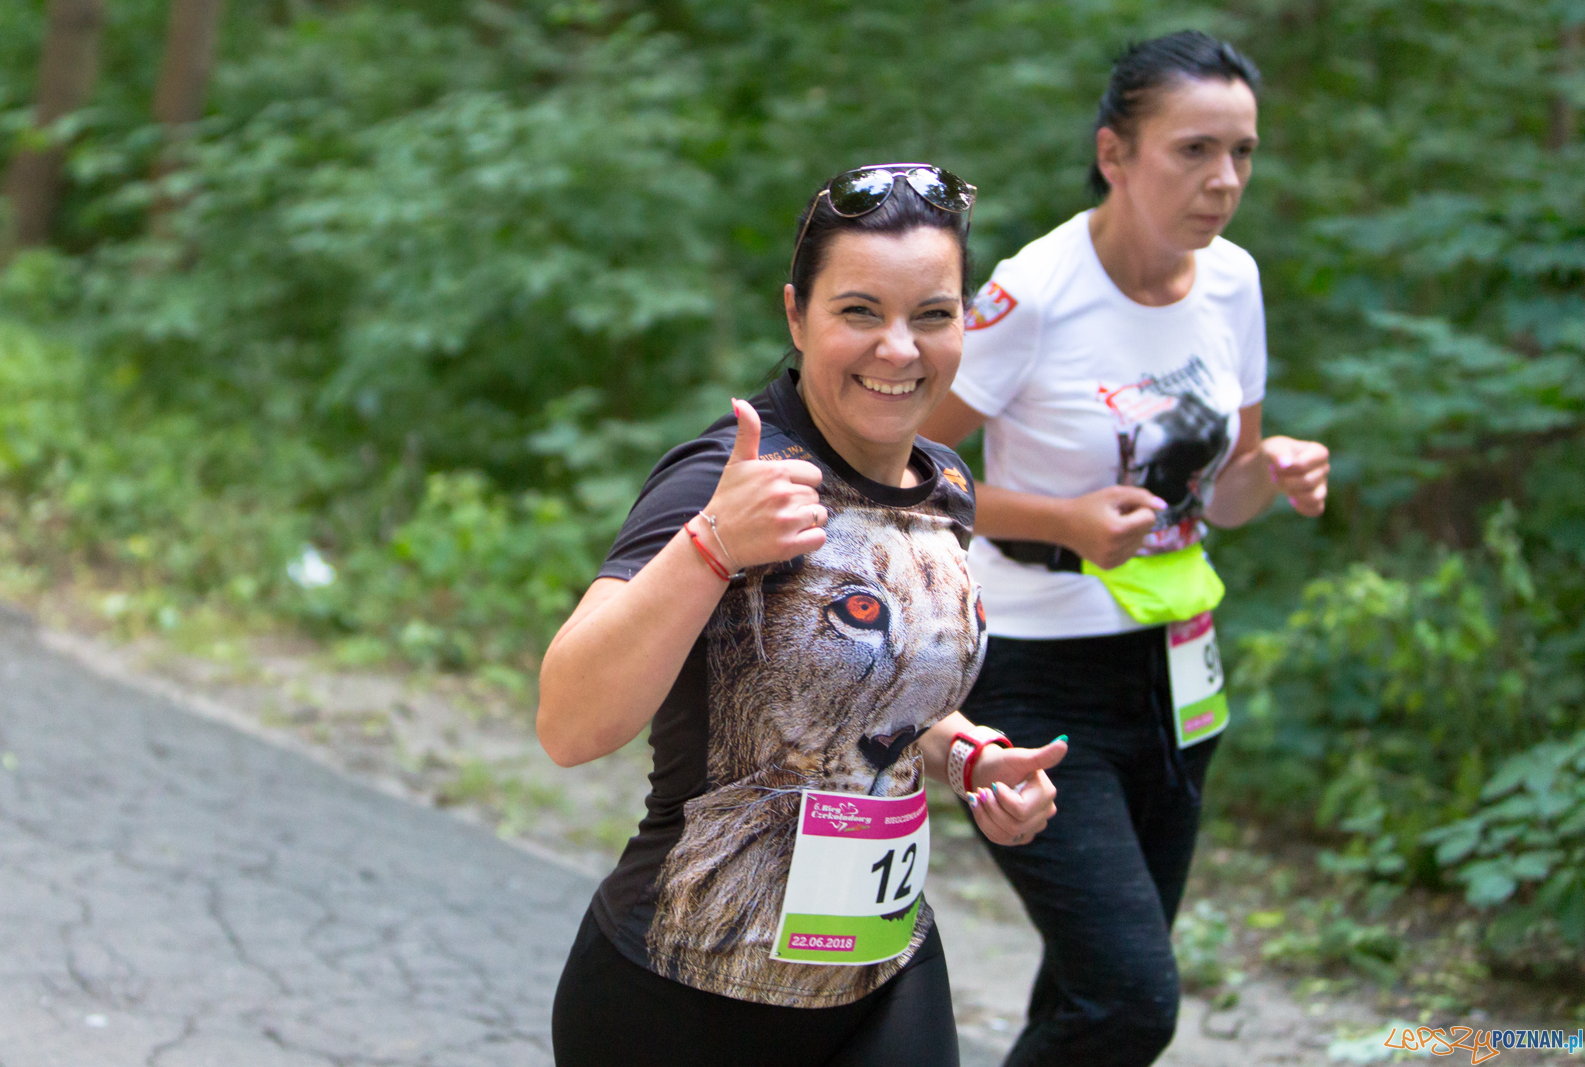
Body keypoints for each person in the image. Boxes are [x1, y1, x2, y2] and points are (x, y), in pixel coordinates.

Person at [539, 164, 1070, 1067]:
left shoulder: (945, 487)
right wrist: (712, 543)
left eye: (932, 315)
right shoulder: (732, 478)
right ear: (797, 315)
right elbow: (569, 721)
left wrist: (966, 751)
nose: (899, 350)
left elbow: (877, 695)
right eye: (859, 311)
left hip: (881, 975)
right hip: (687, 992)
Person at [919, 32, 1331, 1067]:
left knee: (1087, 992)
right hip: (1032, 668)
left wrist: (1271, 470)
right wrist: (1061, 522)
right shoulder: (1035, 290)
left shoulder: (1232, 283)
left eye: (1241, 151)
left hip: (1178, 669)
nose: (1223, 179)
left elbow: (1222, 499)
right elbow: (905, 473)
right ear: (1114, 153)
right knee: (1130, 1001)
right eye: (1192, 150)